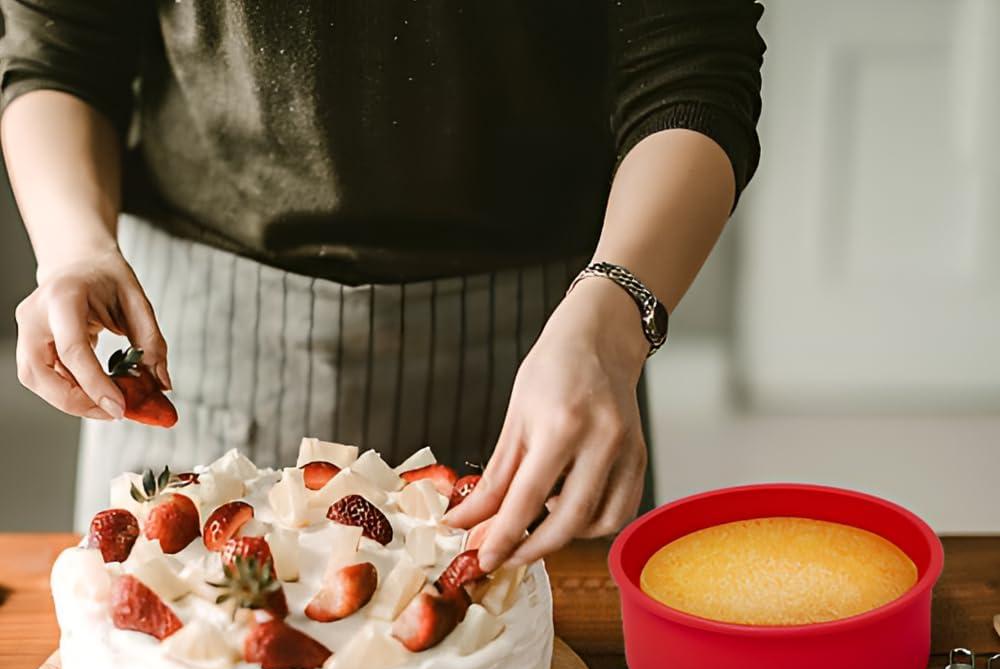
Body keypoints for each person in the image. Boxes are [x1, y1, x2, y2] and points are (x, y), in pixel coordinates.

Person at [0, 1, 764, 572]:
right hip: (194, 324)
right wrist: (73, 252)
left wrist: (616, 314)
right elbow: (61, 56)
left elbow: (691, 72)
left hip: (550, 332)